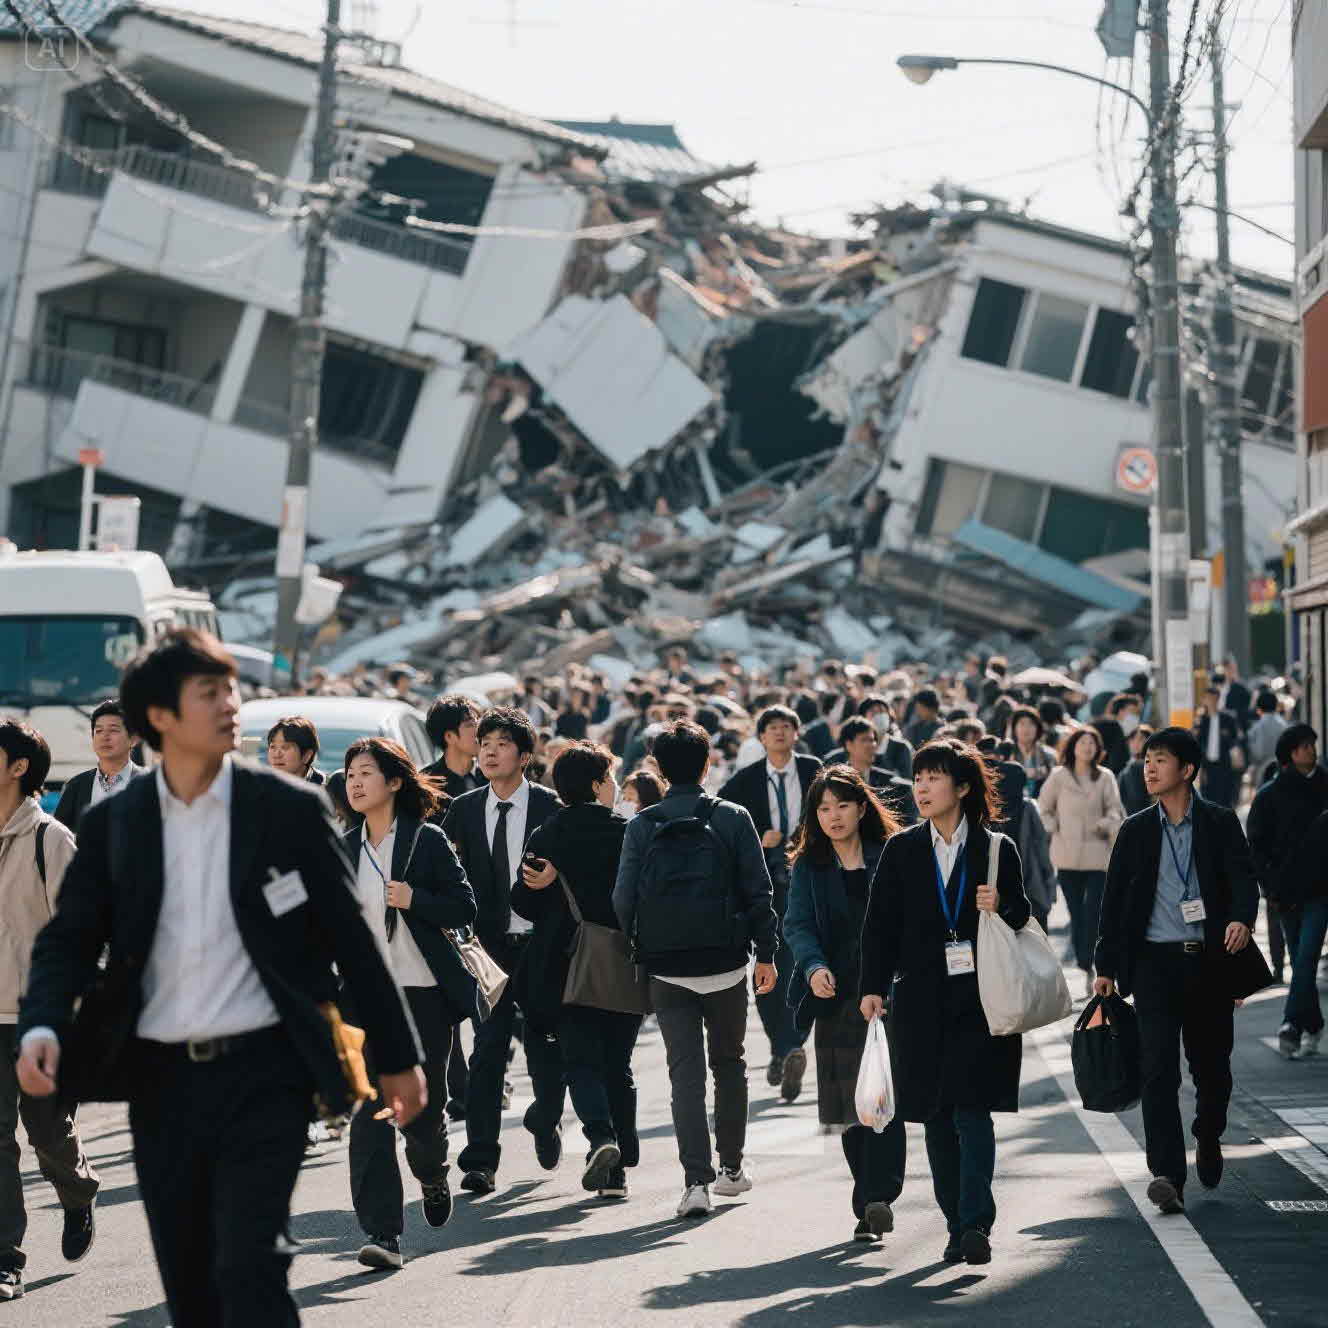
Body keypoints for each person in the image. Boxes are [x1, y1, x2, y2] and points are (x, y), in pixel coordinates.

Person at [16, 629, 424, 1326]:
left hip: (267, 1073)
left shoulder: (288, 811)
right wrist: (44, 1023)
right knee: (191, 1282)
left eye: (232, 688)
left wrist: (398, 1057)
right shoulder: (118, 823)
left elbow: (350, 940)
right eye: (210, 693)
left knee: (251, 1263)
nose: (232, 705)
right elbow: (69, 939)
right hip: (160, 1080)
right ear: (162, 719)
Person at [860, 738, 1032, 1267]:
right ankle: (956, 1222)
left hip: (982, 999)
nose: (922, 788)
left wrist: (1002, 904)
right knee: (936, 1115)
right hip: (920, 999)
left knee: (973, 1108)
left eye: (933, 777)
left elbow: (1025, 913)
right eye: (918, 778)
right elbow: (880, 923)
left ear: (961, 787)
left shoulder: (996, 847)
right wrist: (872, 986)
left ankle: (977, 1219)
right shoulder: (903, 848)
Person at [613, 720, 779, 1219]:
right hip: (726, 963)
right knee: (729, 1063)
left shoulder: (643, 824)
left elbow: (622, 898)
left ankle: (695, 1182)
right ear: (708, 764)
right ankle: (731, 1167)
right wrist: (766, 953)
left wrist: (642, 944)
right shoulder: (731, 816)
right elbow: (758, 890)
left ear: (657, 770)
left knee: (684, 1074)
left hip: (667, 967)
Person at [1094, 727, 1257, 1216]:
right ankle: (1168, 1175)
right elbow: (1114, 902)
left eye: (1160, 760)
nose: (1148, 768)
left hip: (1207, 962)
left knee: (1212, 1069)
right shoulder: (1136, 829)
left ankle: (1208, 1135)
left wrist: (1240, 920)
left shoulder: (1221, 822)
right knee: (1157, 1071)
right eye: (1146, 759)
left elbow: (1243, 880)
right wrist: (1105, 965)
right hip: (1153, 965)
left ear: (1186, 770)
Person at [342, 737, 478, 1270]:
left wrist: (415, 899)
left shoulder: (428, 841)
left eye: (366, 772)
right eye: (350, 773)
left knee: (419, 1115)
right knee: (369, 1116)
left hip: (423, 996)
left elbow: (464, 906)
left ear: (394, 782)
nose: (354, 782)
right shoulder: (343, 846)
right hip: (362, 1002)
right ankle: (384, 1234)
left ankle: (432, 1172)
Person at [441, 708, 566, 1195]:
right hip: (486, 950)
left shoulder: (552, 807)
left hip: (539, 945)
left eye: (502, 743)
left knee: (545, 1047)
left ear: (525, 755)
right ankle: (480, 1162)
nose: (489, 750)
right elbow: (452, 876)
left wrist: (556, 877)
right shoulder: (465, 809)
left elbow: (577, 872)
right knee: (488, 1054)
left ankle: (545, 1117)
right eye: (484, 742)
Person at [783, 766, 907, 1243]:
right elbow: (796, 925)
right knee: (851, 1105)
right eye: (823, 808)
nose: (833, 816)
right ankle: (869, 1200)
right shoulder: (810, 866)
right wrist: (813, 968)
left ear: (861, 807)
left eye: (841, 805)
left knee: (884, 1099)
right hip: (835, 996)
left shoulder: (891, 855)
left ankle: (878, 1198)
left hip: (888, 992)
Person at [513, 743, 640, 1200]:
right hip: (623, 963)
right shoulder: (627, 832)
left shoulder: (547, 834)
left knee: (580, 1060)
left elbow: (521, 902)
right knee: (618, 1065)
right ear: (594, 784)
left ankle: (601, 1137)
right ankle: (619, 1168)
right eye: (609, 778)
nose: (613, 787)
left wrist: (551, 891)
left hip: (563, 965)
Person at [0, 720, 97, 1302]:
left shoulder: (49, 839)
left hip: (38, 1014)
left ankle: (78, 1193)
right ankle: (6, 1255)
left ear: (18, 768)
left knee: (46, 1129)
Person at [718, 705, 821, 1101]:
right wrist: (760, 837)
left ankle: (791, 1044)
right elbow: (722, 826)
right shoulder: (744, 782)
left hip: (810, 880)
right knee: (768, 967)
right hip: (764, 886)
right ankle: (785, 1048)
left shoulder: (815, 771)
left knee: (806, 961)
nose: (779, 733)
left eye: (786, 726)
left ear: (796, 733)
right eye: (771, 728)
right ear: (760, 737)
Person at [1038, 727, 1125, 998]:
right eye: (1083, 742)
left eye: (1092, 743)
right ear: (1073, 746)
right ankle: (1085, 964)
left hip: (1097, 855)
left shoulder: (1105, 777)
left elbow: (1115, 809)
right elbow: (1044, 808)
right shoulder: (1059, 776)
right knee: (1076, 914)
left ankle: (1096, 965)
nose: (1087, 747)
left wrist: (1106, 823)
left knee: (1094, 913)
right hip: (1066, 855)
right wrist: (1055, 826)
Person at [1247, 723, 1328, 997]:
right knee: (1299, 958)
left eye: (1312, 745)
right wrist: (1269, 884)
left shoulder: (1325, 785)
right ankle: (1310, 1021)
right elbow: (1256, 846)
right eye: (1306, 746)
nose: (1313, 751)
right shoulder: (1270, 795)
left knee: (1307, 957)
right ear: (1292, 754)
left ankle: (1292, 1023)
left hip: (1320, 888)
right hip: (1285, 890)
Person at [53, 700, 146, 831]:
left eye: (113, 730)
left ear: (133, 739)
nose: (105, 737)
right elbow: (59, 838)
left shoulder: (148, 784)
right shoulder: (76, 786)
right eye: (99, 731)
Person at [837, 716, 916, 828]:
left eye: (873, 740)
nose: (872, 745)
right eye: (864, 740)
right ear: (848, 744)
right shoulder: (837, 781)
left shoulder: (894, 786)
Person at [1193, 686, 1244, 808]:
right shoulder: (1201, 721)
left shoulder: (1228, 719)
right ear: (1204, 700)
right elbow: (1197, 746)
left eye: (1214, 698)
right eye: (1208, 698)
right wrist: (1200, 770)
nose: (1211, 701)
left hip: (1225, 765)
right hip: (1208, 766)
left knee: (1225, 800)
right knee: (1207, 801)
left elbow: (1237, 740)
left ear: (1218, 699)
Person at [1006, 706, 1056, 797]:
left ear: (1038, 728)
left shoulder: (1048, 756)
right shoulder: (1006, 753)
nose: (1026, 728)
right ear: (1014, 728)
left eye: (1031, 724)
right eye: (1022, 723)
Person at [1244, 690, 1288, 790]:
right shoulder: (1284, 725)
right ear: (1276, 706)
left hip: (1262, 772)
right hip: (1282, 771)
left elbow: (1256, 753)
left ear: (1259, 709)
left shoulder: (1256, 728)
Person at [265, 715, 323, 784]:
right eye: (273, 747)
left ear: (307, 756)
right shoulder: (259, 787)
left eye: (285, 747)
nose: (277, 754)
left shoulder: (326, 790)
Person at [1118, 723, 1154, 817]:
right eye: (1132, 739)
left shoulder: (1149, 766)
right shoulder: (1128, 766)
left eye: (1141, 739)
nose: (1135, 743)